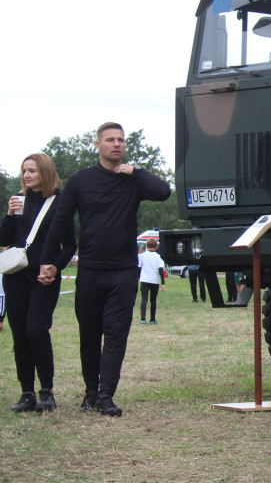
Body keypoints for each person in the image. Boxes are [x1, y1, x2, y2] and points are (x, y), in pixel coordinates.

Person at [39, 122, 172, 417]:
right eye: (110, 140)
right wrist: (48, 260)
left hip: (123, 270)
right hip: (90, 270)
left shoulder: (133, 181)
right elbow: (60, 221)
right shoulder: (80, 180)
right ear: (97, 145)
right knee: (89, 334)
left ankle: (106, 395)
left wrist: (135, 171)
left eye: (121, 140)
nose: (117, 144)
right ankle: (89, 393)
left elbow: (163, 192)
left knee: (115, 335)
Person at [1, 153, 77, 412]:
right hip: (15, 277)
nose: (26, 175)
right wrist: (9, 215)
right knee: (20, 334)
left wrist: (56, 266)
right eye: (24, 171)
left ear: (44, 172)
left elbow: (70, 244)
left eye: (31, 170)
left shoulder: (59, 202)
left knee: (36, 330)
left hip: (44, 278)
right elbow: (4, 238)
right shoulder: (17, 200)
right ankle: (26, 393)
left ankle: (47, 391)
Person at [137, 238, 166, 325]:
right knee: (153, 300)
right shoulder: (159, 257)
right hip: (154, 281)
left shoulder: (142, 255)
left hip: (144, 280)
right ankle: (152, 319)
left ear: (146, 246)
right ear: (156, 247)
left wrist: (137, 278)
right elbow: (161, 270)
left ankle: (143, 320)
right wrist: (163, 283)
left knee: (144, 299)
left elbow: (139, 268)